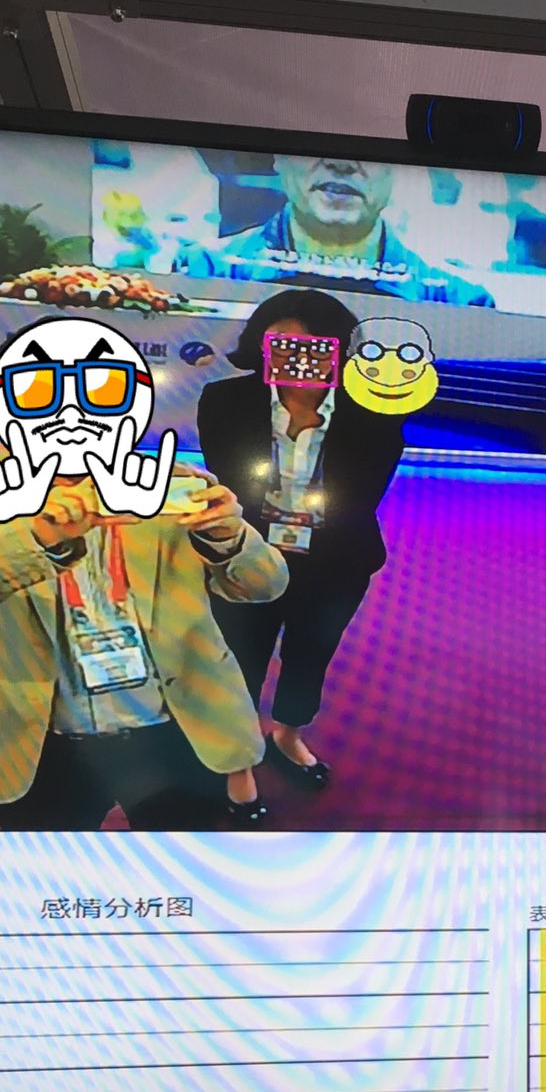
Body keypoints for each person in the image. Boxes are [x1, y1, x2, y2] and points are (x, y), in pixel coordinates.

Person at [0, 423, 287, 830]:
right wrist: (36, 539)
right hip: (35, 738)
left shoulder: (169, 481)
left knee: (175, 857)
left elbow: (265, 585)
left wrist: (228, 539)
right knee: (50, 862)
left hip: (177, 726)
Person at [196, 289, 407, 802]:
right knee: (238, 656)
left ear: (338, 350)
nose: (295, 357)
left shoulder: (375, 413)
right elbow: (230, 485)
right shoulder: (225, 400)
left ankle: (287, 735)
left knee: (310, 655)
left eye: (310, 346)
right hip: (248, 557)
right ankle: (238, 752)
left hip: (334, 564)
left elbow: (362, 498)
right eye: (281, 345)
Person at [175, 155, 495, 307]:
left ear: (396, 170)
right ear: (278, 160)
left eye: (370, 150)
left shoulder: (462, 302)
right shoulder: (203, 270)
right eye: (313, 145)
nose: (342, 165)